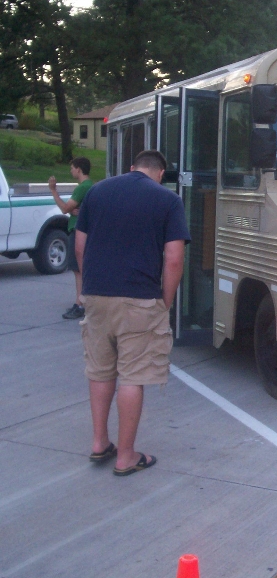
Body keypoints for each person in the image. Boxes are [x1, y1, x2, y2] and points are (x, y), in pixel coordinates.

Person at [75, 150, 190, 476]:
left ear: (132, 168)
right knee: (132, 375)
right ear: (161, 173)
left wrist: (90, 287)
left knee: (100, 370)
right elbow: (174, 259)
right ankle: (126, 456)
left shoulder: (97, 192)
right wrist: (165, 302)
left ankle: (100, 443)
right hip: (140, 298)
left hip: (96, 295)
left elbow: (80, 247)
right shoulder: (168, 200)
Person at [49, 157, 93, 319]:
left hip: (78, 231)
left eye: (72, 168)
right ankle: (84, 302)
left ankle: (80, 304)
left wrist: (53, 190)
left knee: (78, 270)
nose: (71, 171)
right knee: (82, 269)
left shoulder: (82, 187)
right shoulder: (92, 186)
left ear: (79, 169)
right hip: (86, 232)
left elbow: (65, 208)